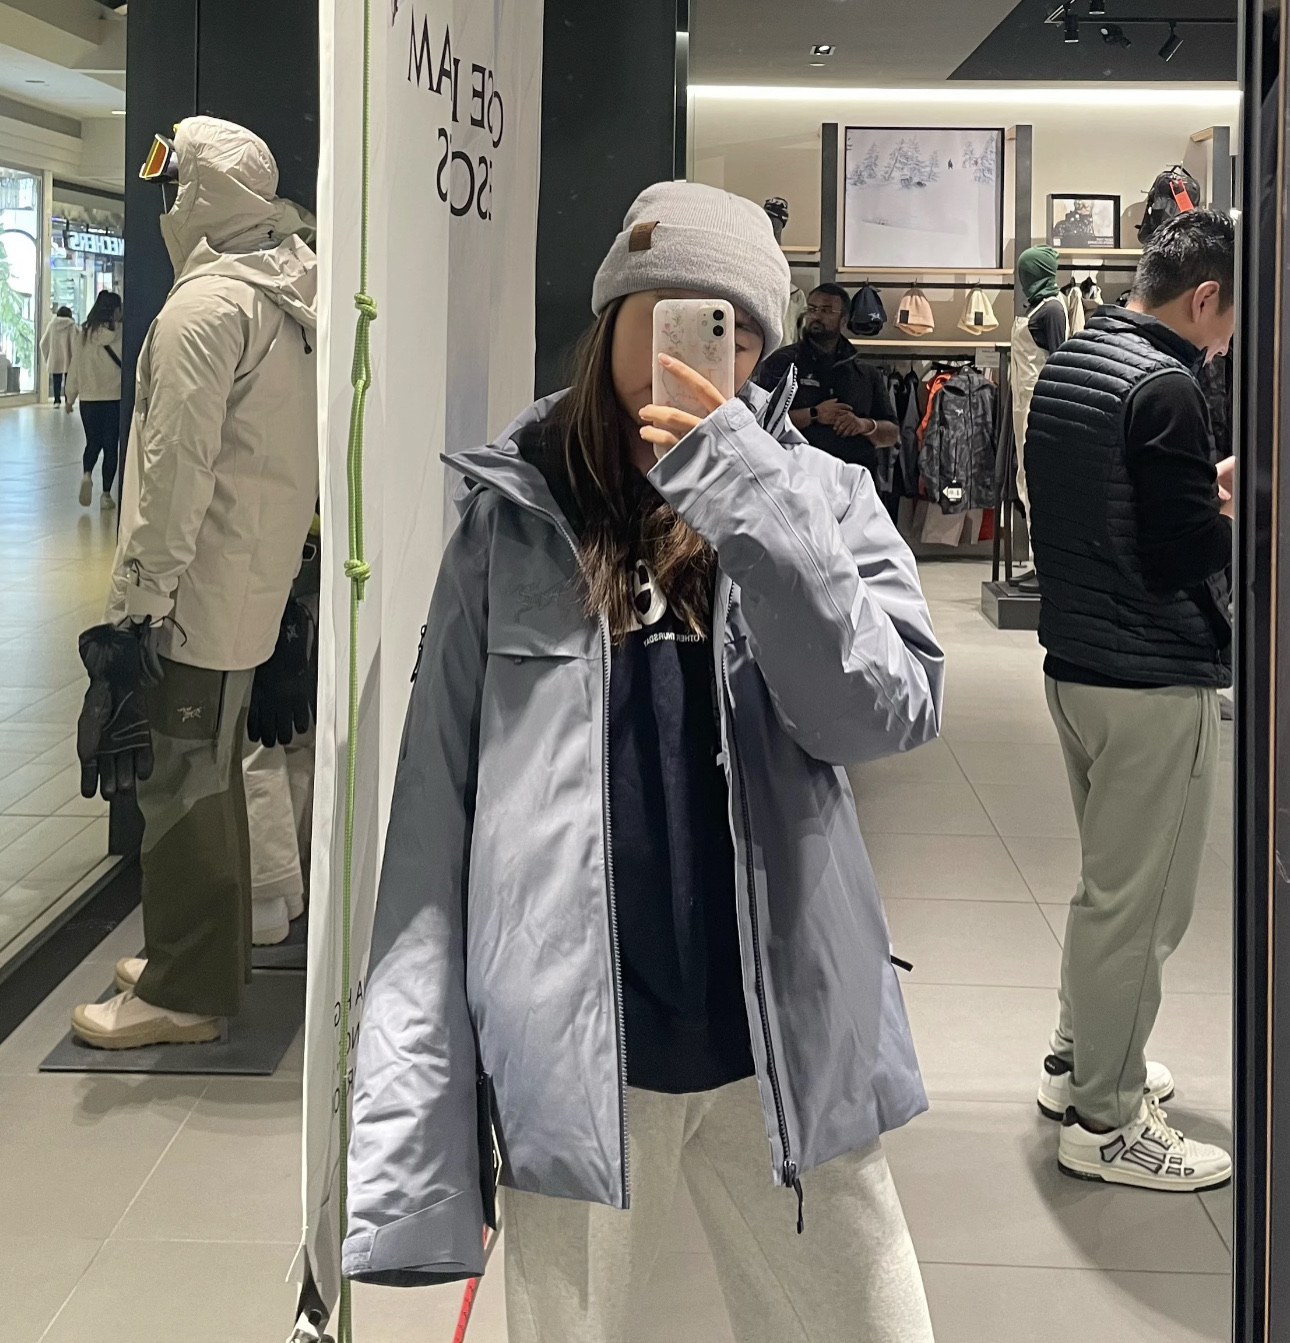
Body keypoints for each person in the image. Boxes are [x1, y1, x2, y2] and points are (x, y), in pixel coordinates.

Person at [344, 181, 944, 1343]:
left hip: (786, 1039)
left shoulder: (820, 495)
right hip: (578, 1057)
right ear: (610, 313)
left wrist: (757, 511)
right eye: (667, 313)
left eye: (734, 330)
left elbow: (884, 715)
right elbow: (434, 809)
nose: (698, 351)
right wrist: (415, 1099)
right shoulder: (509, 521)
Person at [70, 116, 318, 1049]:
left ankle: (184, 988)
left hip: (193, 600)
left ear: (203, 192)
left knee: (181, 784)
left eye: (172, 179)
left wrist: (136, 608)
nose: (166, 199)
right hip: (248, 589)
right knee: (208, 772)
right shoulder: (291, 296)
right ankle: (209, 953)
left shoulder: (205, 312)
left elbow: (174, 476)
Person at [1025, 209, 1236, 1192]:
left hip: (1076, 663)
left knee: (1108, 891)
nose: (1229, 342)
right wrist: (1244, 510)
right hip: (1150, 677)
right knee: (1143, 908)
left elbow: (1107, 503)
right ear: (1205, 297)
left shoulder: (1076, 358)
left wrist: (1200, 489)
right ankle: (1106, 1119)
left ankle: (1078, 1059)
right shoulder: (1169, 386)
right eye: (1232, 320)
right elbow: (1180, 552)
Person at [755, 282, 900, 477]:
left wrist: (864, 425)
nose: (816, 316)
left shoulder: (866, 373)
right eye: (812, 309)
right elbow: (759, 422)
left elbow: (892, 434)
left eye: (826, 310)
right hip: (796, 479)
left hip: (854, 482)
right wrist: (814, 414)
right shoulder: (782, 362)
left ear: (843, 320)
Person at [1010, 245, 1068, 526]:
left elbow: (1058, 360)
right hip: (1023, 401)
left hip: (1039, 403)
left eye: (1025, 272)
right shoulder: (1037, 307)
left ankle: (1041, 547)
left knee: (1037, 476)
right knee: (1025, 474)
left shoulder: (1053, 310)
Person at [64, 291, 123, 511]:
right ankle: (106, 495)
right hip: (114, 399)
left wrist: (70, 397)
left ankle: (87, 474)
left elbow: (75, 368)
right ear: (114, 311)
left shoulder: (83, 335)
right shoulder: (122, 334)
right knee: (110, 447)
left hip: (89, 400)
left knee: (93, 442)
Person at [762, 196, 807, 346]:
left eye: (775, 220)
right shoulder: (794, 294)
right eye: (769, 219)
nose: (773, 225)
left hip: (785, 352)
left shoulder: (795, 295)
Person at [40, 305, 76, 404]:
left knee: (56, 379)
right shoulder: (72, 326)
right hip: (69, 357)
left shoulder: (52, 325)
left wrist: (48, 355)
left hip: (55, 357)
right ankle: (68, 400)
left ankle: (56, 400)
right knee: (69, 381)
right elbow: (75, 342)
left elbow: (43, 342)